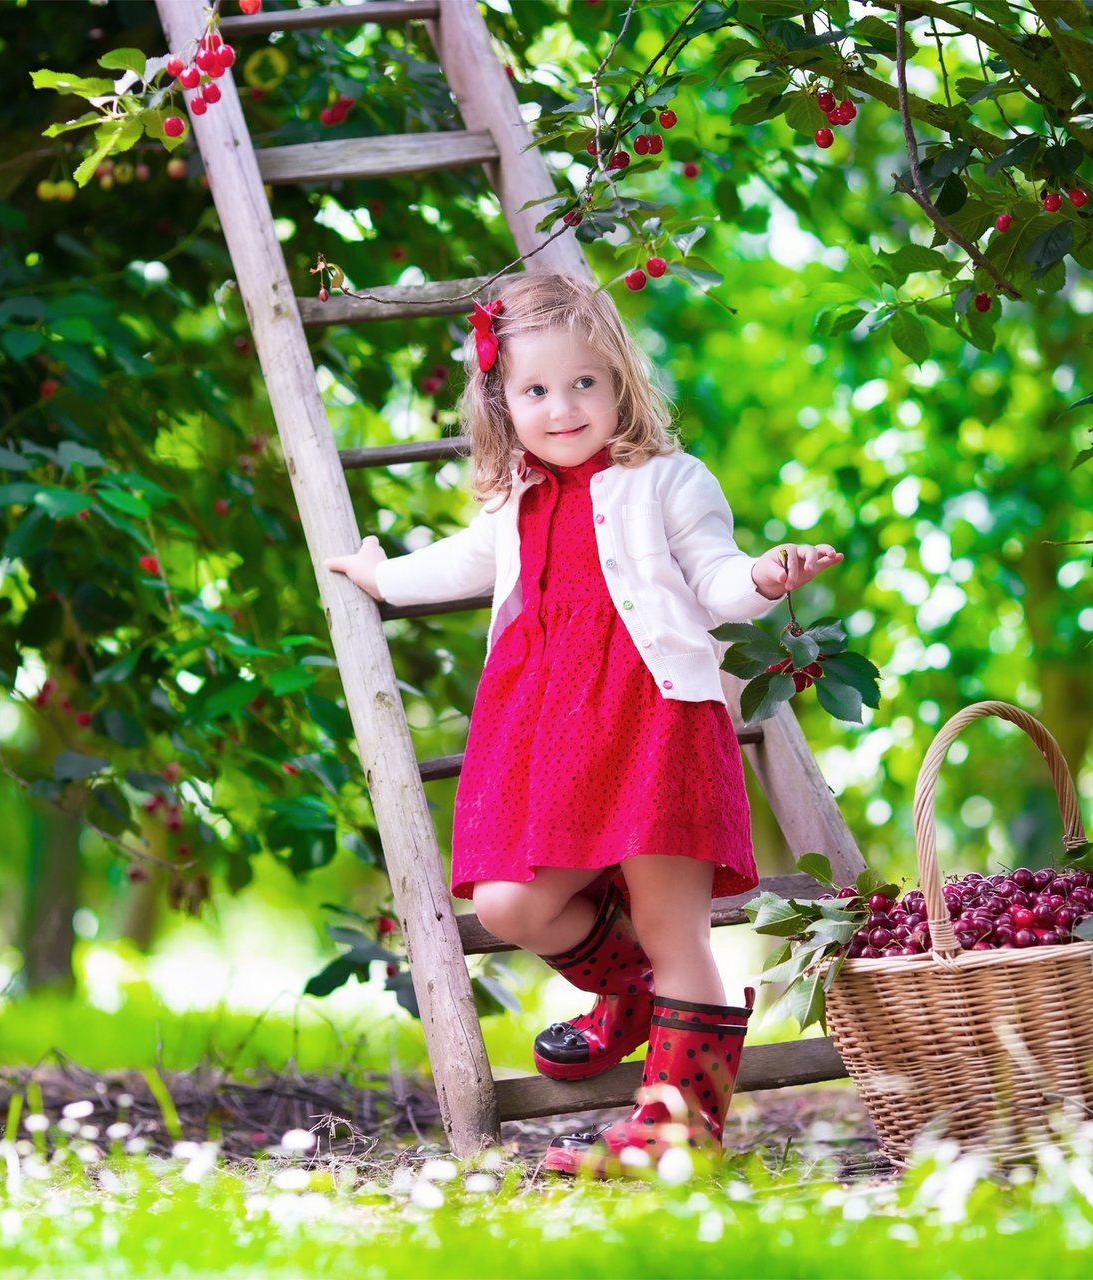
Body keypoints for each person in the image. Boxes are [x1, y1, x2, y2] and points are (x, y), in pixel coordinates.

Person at [323, 271, 842, 1175]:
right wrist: (378, 576)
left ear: (619, 385)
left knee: (675, 928)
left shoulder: (669, 482)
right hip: (550, 743)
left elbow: (716, 579)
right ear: (502, 400)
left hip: (657, 727)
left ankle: (676, 1137)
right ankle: (634, 996)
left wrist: (764, 577)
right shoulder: (516, 500)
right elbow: (451, 564)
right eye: (535, 391)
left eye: (584, 385)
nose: (562, 408)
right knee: (510, 903)